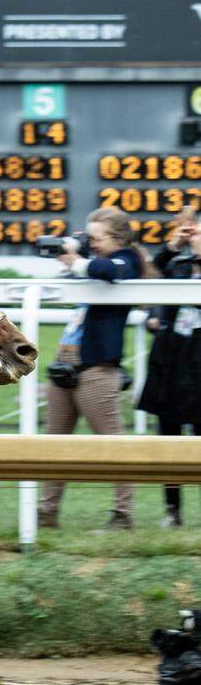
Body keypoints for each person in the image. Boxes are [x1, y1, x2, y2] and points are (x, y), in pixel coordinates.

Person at [39, 207, 144, 531]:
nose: (92, 244)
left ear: (118, 238)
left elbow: (109, 270)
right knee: (54, 445)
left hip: (98, 368)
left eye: (97, 239)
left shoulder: (128, 259)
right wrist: (70, 261)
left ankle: (122, 514)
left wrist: (77, 261)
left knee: (113, 446)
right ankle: (45, 513)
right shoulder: (92, 264)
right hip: (66, 364)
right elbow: (72, 277)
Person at [137, 215, 201, 528]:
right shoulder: (178, 264)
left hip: (198, 366)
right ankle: (172, 510)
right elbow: (150, 276)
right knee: (169, 440)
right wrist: (171, 247)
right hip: (171, 363)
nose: (195, 237)